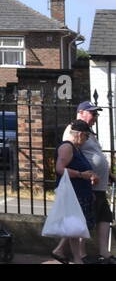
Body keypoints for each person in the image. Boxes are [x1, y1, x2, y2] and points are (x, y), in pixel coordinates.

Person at [64, 102, 112, 263]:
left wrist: (108, 173)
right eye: (93, 114)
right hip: (87, 184)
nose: (96, 118)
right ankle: (81, 256)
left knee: (104, 216)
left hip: (100, 184)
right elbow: (71, 154)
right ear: (82, 112)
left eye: (97, 114)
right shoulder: (74, 130)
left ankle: (104, 253)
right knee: (85, 220)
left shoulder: (89, 132)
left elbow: (96, 153)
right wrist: (84, 175)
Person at [54, 120, 97, 264]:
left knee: (76, 229)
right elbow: (60, 169)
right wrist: (81, 174)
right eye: (86, 136)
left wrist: (90, 177)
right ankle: (78, 259)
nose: (87, 139)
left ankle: (75, 258)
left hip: (81, 193)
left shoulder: (77, 149)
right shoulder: (67, 147)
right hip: (72, 194)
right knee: (74, 228)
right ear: (79, 134)